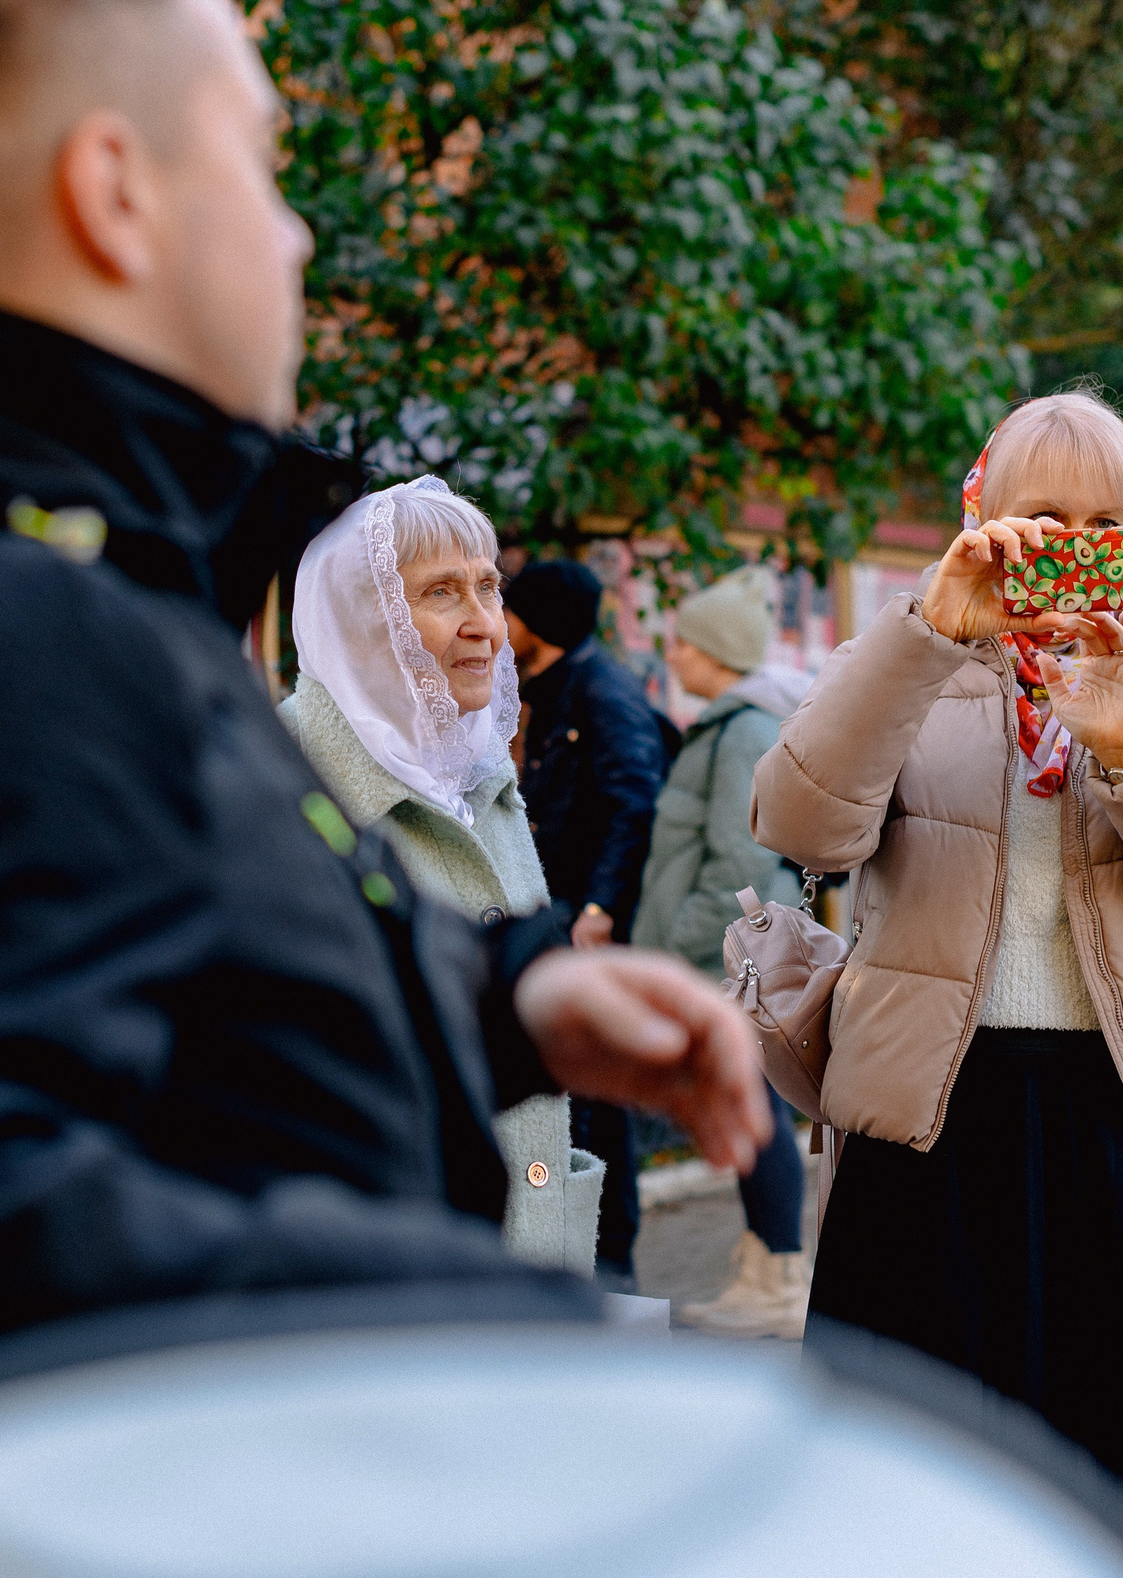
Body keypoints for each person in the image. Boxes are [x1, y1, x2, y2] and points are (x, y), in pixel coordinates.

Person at [0, 0, 769, 1414]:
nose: (293, 237)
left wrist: (508, 997)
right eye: (261, 160)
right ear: (115, 193)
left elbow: (193, 967)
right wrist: (463, 1317)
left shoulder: (78, 573)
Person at [747, 387, 1123, 1578]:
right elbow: (802, 825)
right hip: (934, 1143)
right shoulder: (906, 671)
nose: (1072, 545)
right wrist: (923, 639)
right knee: (915, 1504)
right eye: (1043, 517)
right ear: (982, 522)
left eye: (1109, 522)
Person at [279, 476, 603, 1275]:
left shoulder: (481, 778)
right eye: (441, 592)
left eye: (489, 587)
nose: (484, 625)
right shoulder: (289, 785)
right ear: (363, 619)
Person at [631, 567, 816, 1338]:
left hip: (717, 955)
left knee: (757, 1108)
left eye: (683, 643)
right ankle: (764, 1266)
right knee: (753, 1105)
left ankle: (779, 1274)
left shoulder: (740, 730)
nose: (670, 655)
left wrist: (673, 953)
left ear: (716, 652)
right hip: (716, 953)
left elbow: (736, 863)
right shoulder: (727, 722)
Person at [502, 556, 670, 1288]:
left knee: (598, 1106)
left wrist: (600, 910)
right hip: (567, 919)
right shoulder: (567, 688)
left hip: (588, 929)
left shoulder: (602, 693)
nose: (496, 624)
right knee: (592, 1100)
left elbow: (636, 797)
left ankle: (610, 1270)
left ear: (534, 623)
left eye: (504, 607)